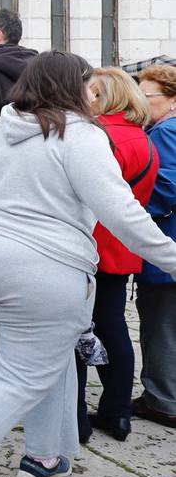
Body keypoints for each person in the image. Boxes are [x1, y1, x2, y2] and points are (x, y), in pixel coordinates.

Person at [0, 52, 176, 477]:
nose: (92, 93)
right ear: (71, 86)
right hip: (39, 266)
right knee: (19, 373)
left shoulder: (4, 127)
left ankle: (45, 454)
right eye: (87, 85)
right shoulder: (79, 136)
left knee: (49, 355)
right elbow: (121, 213)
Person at [75, 68, 157, 443]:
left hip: (91, 243)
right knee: (114, 327)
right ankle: (118, 412)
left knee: (75, 330)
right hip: (122, 244)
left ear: (104, 96)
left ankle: (75, 418)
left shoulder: (97, 136)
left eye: (90, 92)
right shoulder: (142, 138)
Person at [134, 64, 176, 429]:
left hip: (167, 243)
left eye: (147, 97)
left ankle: (162, 400)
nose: (142, 104)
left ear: (172, 100)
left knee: (160, 323)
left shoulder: (165, 132)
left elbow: (164, 190)